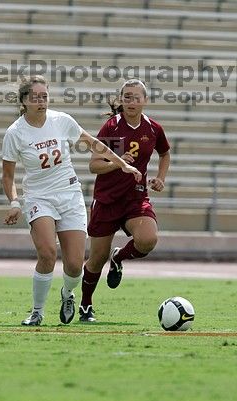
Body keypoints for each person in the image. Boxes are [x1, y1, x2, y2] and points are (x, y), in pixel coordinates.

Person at [2, 75, 142, 326]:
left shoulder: (61, 120)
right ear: (24, 101)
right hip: (39, 197)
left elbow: (93, 144)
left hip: (69, 194)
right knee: (47, 253)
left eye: (44, 96)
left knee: (76, 265)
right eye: (35, 98)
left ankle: (67, 294)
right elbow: (8, 175)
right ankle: (37, 311)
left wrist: (121, 165)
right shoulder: (15, 133)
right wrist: (14, 202)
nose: (41, 102)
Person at [79, 79, 171, 322]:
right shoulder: (111, 128)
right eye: (127, 97)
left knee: (148, 240)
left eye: (136, 97)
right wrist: (118, 162)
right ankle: (86, 304)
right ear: (121, 100)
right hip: (108, 199)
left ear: (145, 100)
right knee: (97, 258)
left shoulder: (152, 129)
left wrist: (160, 178)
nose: (131, 102)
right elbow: (94, 166)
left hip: (135, 197)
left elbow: (165, 153)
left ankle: (118, 258)